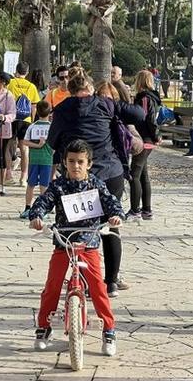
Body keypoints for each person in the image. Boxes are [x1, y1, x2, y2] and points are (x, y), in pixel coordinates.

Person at [47, 73, 144, 296]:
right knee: (111, 226)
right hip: (110, 172)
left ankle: (84, 280)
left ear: (70, 91)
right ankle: (110, 282)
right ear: (90, 88)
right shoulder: (105, 104)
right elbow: (139, 114)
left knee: (79, 230)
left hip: (78, 177)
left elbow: (52, 141)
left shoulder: (62, 109)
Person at [28, 139, 124, 356]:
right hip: (64, 242)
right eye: (71, 161)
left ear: (89, 163)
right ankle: (44, 326)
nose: (76, 166)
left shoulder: (96, 184)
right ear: (64, 162)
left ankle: (109, 329)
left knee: (99, 287)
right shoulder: (59, 185)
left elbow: (111, 202)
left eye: (81, 162)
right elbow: (44, 201)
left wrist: (116, 215)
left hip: (89, 243)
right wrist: (36, 215)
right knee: (52, 285)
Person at [129, 70, 161, 220]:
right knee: (143, 174)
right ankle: (146, 209)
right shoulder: (150, 97)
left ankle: (135, 209)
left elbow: (149, 118)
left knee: (134, 174)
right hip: (147, 137)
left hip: (144, 138)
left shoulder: (145, 98)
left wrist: (155, 136)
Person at [6, 62, 41, 187]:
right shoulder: (31, 86)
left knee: (9, 146)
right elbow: (34, 105)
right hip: (25, 120)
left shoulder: (10, 83)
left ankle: (8, 175)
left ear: (16, 70)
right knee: (24, 148)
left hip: (11, 118)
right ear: (27, 72)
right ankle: (23, 177)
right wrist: (31, 120)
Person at [20, 101, 53, 218]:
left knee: (31, 184)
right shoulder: (51, 127)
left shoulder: (32, 126)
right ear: (50, 112)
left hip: (34, 159)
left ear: (37, 112)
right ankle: (43, 209)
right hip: (47, 160)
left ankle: (27, 208)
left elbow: (24, 142)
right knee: (44, 185)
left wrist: (37, 145)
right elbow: (54, 144)